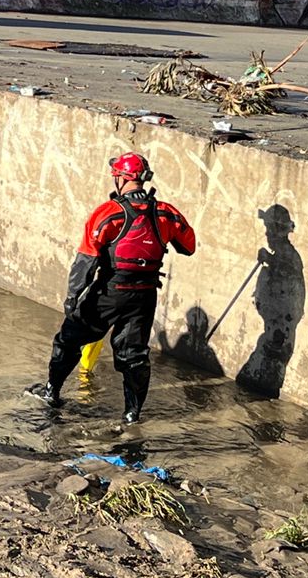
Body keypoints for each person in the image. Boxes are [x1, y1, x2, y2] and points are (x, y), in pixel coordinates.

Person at [26, 152, 196, 423]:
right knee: (134, 355)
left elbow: (86, 262)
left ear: (120, 178)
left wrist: (72, 299)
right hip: (144, 296)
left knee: (68, 339)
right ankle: (132, 414)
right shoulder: (166, 213)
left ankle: (52, 391)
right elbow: (188, 247)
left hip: (110, 291)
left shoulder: (108, 214)